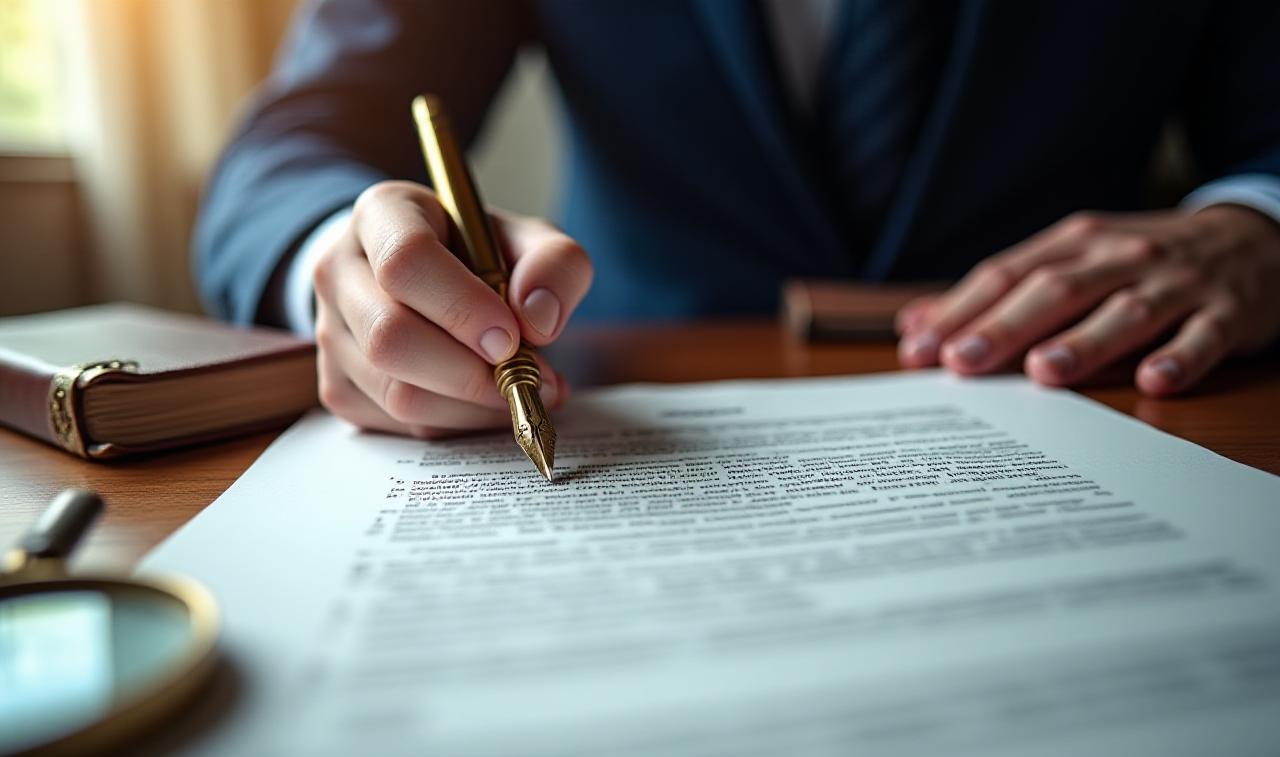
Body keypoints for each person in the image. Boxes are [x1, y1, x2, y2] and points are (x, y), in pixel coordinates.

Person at [196, 1, 1280, 439]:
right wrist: (337, 261)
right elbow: (285, 153)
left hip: (1110, 401)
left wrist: (1256, 224)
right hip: (625, 397)